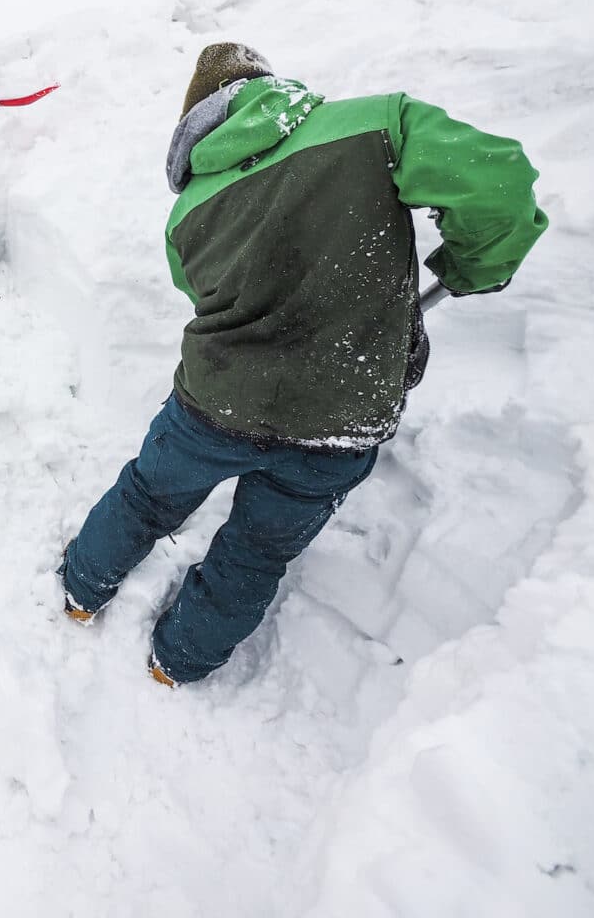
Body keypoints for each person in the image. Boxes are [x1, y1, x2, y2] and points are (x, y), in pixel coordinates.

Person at [58, 43, 548, 687]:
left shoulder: (186, 214)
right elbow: (497, 179)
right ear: (267, 89)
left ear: (199, 122)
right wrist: (471, 266)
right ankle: (178, 663)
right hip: (341, 416)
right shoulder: (378, 126)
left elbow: (203, 295)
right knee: (258, 552)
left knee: (148, 495)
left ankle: (82, 590)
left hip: (215, 404)